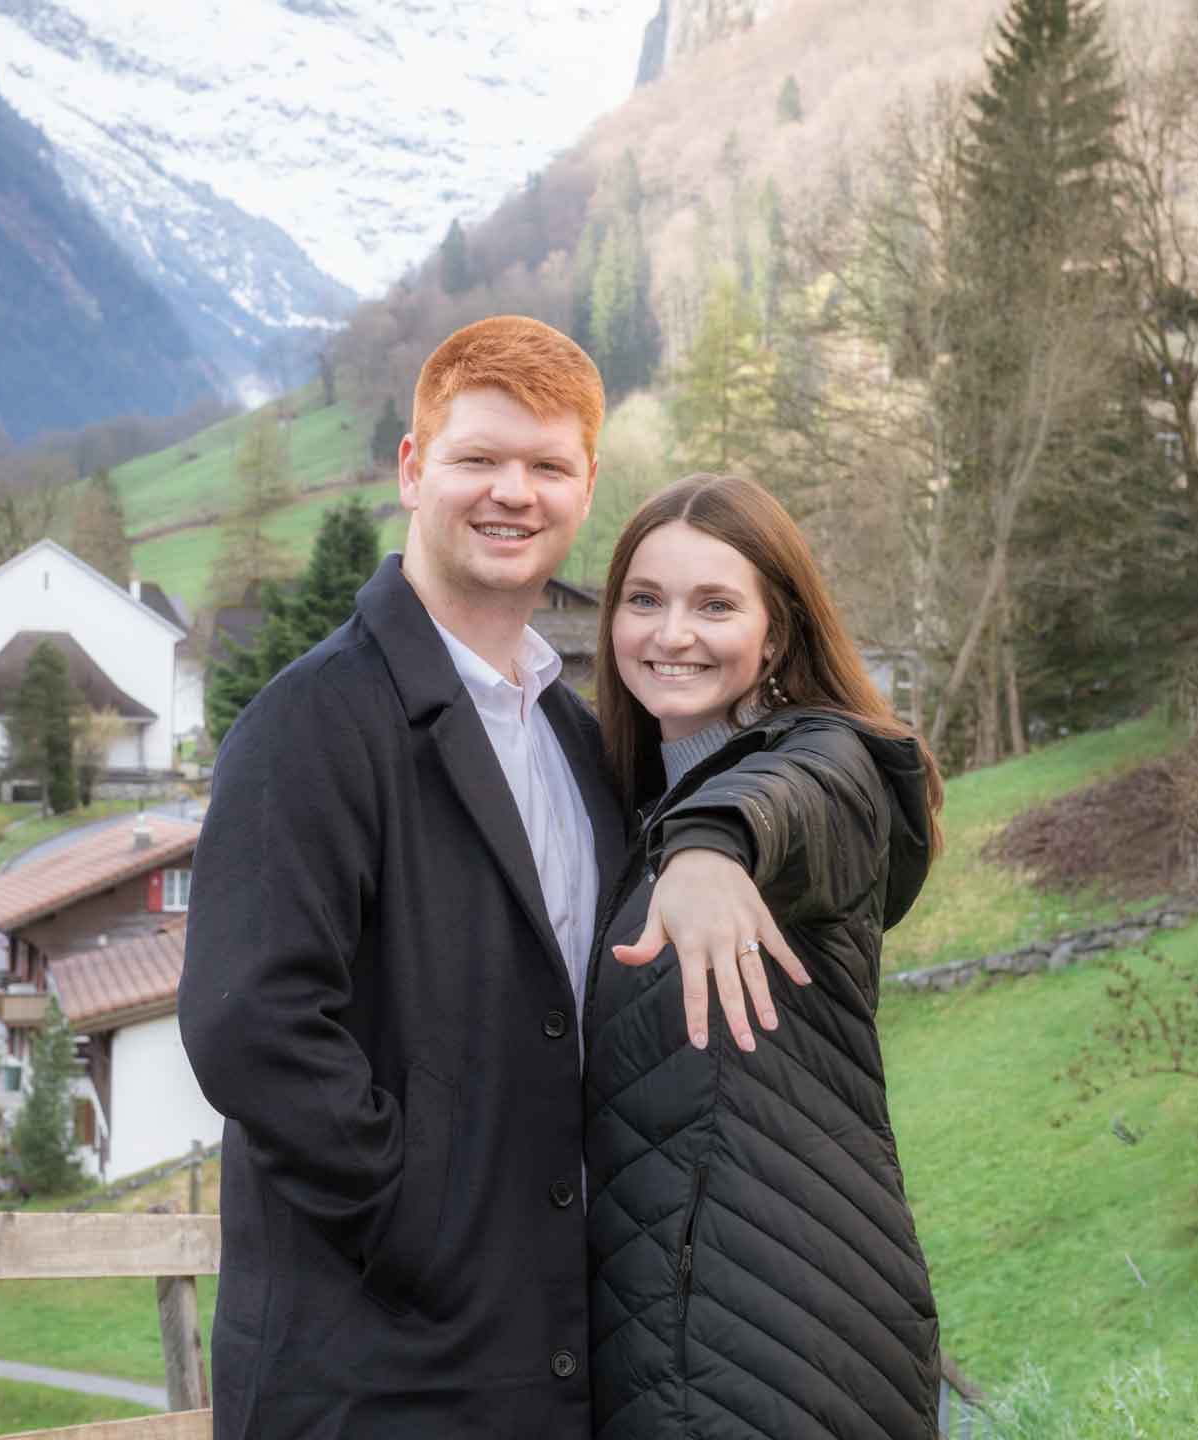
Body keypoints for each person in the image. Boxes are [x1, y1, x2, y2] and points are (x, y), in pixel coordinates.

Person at [178, 320, 801, 1440]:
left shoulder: (576, 738)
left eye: (548, 466)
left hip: (546, 1361)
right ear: (414, 470)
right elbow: (252, 1029)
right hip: (372, 1373)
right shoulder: (311, 724)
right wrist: (432, 1229)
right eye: (478, 459)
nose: (513, 493)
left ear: (587, 488)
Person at [583, 473, 945, 1440]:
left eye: (715, 605)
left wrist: (707, 848)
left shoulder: (832, 767)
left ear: (776, 635)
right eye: (645, 600)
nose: (672, 634)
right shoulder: (629, 804)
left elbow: (795, 794)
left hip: (780, 1346)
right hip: (683, 1333)